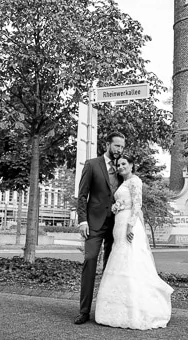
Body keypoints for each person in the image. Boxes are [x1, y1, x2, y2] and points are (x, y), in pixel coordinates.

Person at [94, 157, 173, 330]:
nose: (121, 167)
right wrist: (116, 207)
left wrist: (130, 226)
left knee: (131, 260)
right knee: (120, 259)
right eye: (118, 165)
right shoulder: (124, 183)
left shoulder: (135, 181)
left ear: (131, 166)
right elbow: (123, 202)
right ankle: (116, 309)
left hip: (129, 224)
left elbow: (137, 204)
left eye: (124, 164)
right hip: (119, 223)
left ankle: (137, 309)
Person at [74, 131, 125, 325]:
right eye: (117, 146)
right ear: (108, 145)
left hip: (116, 225)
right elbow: (82, 195)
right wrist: (83, 220)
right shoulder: (92, 164)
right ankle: (84, 311)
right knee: (90, 260)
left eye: (122, 147)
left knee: (111, 267)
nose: (119, 150)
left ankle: (107, 310)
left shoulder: (123, 167)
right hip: (94, 223)